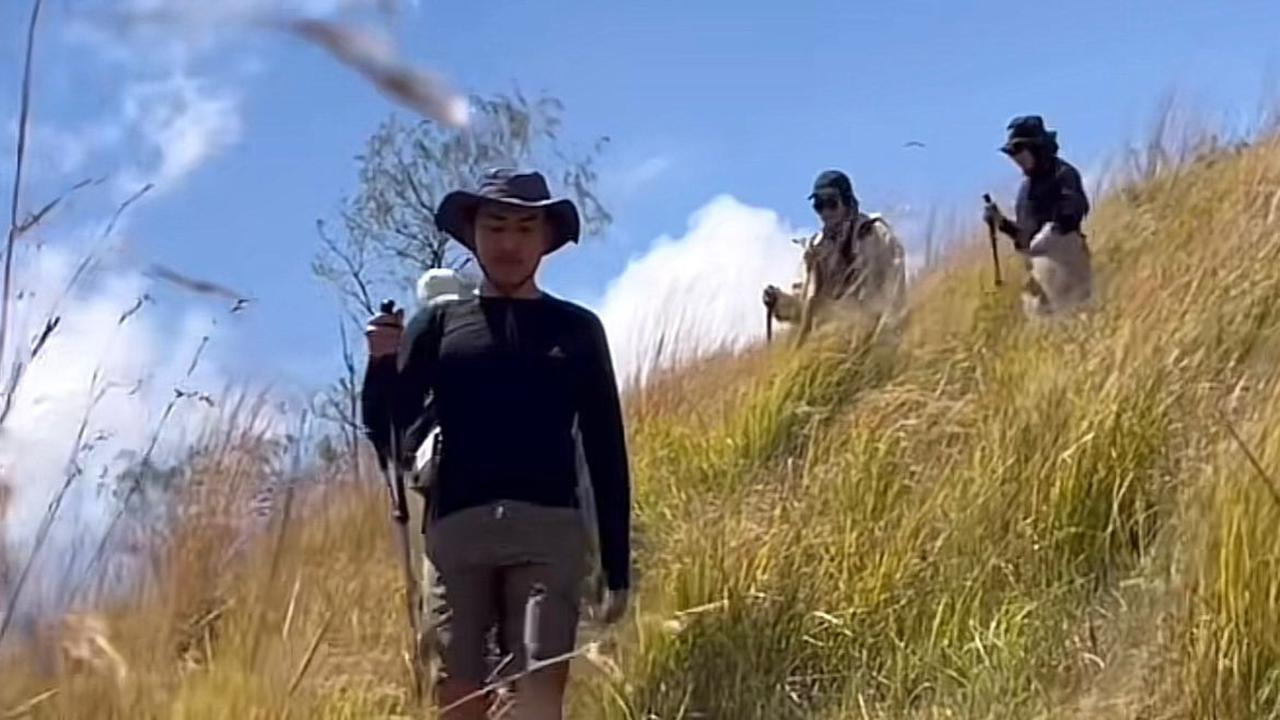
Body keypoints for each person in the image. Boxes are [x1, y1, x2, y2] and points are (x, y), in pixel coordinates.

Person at [361, 168, 632, 719]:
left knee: (536, 693)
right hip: (456, 533)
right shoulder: (437, 325)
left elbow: (606, 448)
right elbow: (389, 429)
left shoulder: (577, 330)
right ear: (473, 233)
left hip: (549, 532)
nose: (510, 243)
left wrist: (616, 566)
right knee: (457, 697)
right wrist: (380, 366)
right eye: (496, 226)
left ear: (546, 238)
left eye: (525, 229)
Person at [762, 170, 906, 345]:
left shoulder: (875, 235)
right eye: (819, 205)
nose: (825, 212)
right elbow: (802, 310)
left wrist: (886, 339)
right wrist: (778, 302)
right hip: (827, 345)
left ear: (847, 202)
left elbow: (895, 290)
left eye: (831, 203)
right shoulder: (814, 251)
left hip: (870, 339)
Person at [983, 115, 1094, 316]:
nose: (1016, 159)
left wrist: (1053, 229)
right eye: (1013, 154)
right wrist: (1001, 222)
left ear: (1037, 148)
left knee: (1075, 317)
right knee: (1045, 326)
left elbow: (1075, 209)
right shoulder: (1025, 191)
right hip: (1038, 272)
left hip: (1067, 264)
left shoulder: (1063, 174)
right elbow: (1026, 239)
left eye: (1020, 152)